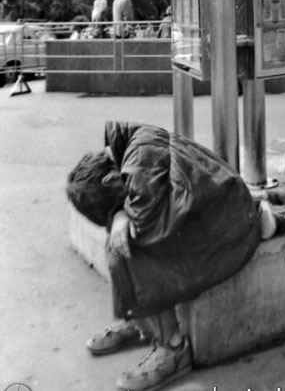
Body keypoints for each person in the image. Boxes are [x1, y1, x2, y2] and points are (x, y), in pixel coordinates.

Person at [66, 121, 260, 391]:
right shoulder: (129, 151)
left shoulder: (140, 160)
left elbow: (146, 220)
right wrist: (119, 214)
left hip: (232, 227)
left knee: (128, 245)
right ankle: (141, 321)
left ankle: (173, 347)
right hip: (216, 214)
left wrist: (121, 216)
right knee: (122, 236)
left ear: (109, 179)